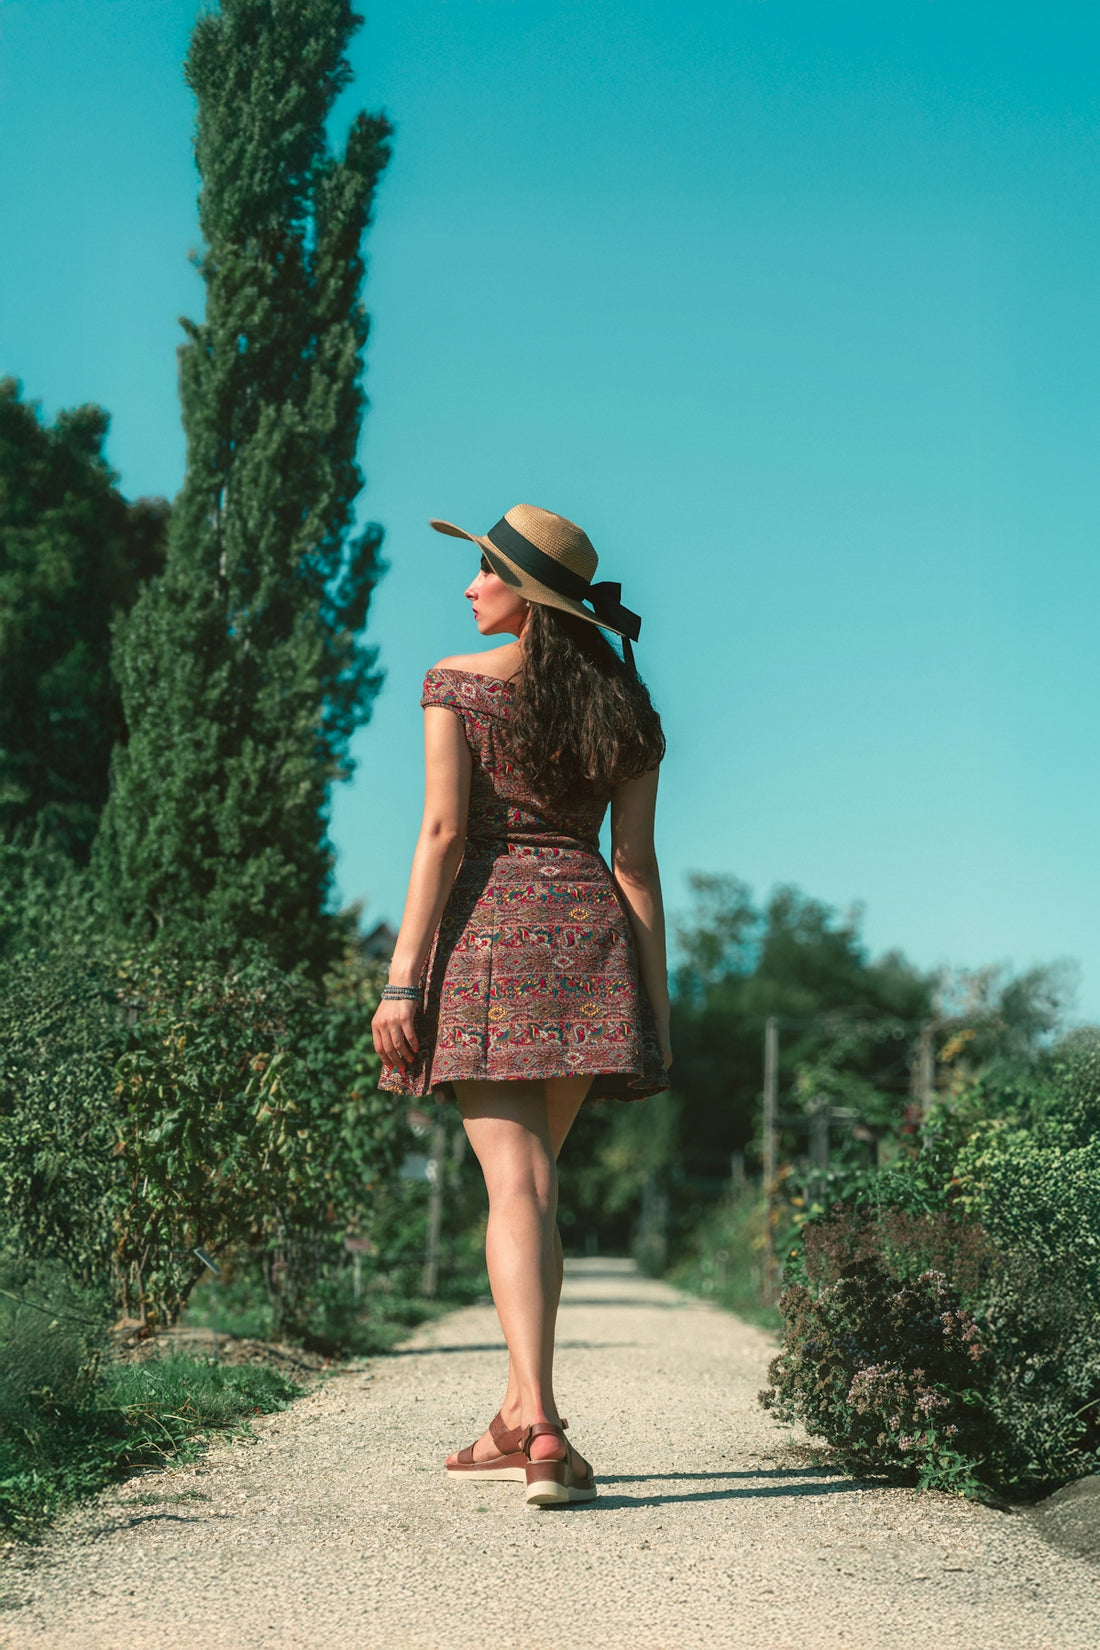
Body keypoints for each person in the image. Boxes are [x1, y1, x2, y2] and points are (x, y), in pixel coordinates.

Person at [372, 503, 670, 1508]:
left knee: (516, 1187)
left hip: (492, 945)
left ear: (528, 596)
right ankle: (514, 1421)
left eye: (486, 571)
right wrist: (655, 1007)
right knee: (530, 1187)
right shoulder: (627, 710)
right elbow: (635, 868)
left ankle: (540, 1423)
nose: (469, 588)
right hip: (589, 947)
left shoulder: (455, 683)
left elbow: (443, 832)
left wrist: (401, 978)